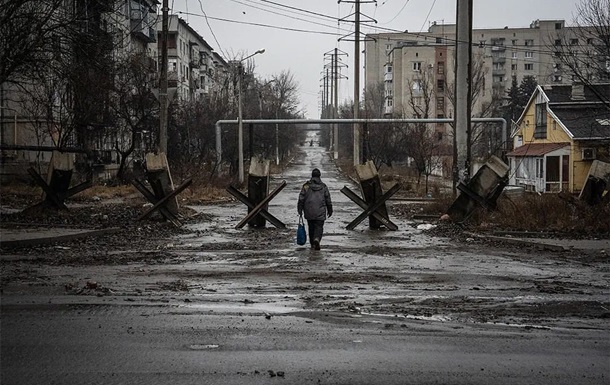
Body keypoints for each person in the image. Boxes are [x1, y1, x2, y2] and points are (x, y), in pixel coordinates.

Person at [297, 168, 333, 250]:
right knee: (319, 227)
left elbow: (301, 198)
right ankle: (317, 239)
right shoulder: (323, 186)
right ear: (319, 176)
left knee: (311, 226)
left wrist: (300, 209)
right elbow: (328, 199)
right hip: (320, 210)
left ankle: (312, 243)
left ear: (312, 176)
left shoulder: (306, 186)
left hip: (309, 210)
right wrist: (330, 209)